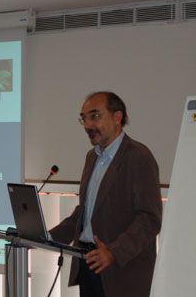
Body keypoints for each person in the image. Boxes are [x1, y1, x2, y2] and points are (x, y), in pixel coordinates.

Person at [49, 91, 162, 297]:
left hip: (122, 271)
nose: (88, 126)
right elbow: (84, 213)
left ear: (117, 117)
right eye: (84, 118)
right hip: (89, 263)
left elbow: (149, 218)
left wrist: (114, 252)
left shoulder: (138, 156)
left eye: (95, 116)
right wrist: (45, 238)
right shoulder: (92, 157)